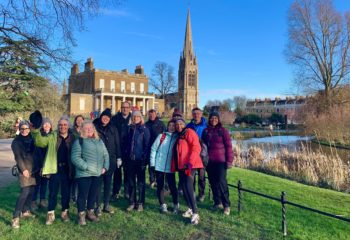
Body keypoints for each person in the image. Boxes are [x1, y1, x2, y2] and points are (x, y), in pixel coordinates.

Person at [31, 115, 75, 225]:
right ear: (57, 126)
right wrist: (35, 131)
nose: (62, 127)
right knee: (52, 193)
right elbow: (40, 142)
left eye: (65, 125)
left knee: (66, 193)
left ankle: (65, 212)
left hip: (67, 169)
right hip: (55, 170)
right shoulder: (52, 136)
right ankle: (50, 214)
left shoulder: (73, 137)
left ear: (68, 126)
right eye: (60, 125)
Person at [71, 121, 109, 225]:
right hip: (84, 174)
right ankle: (81, 215)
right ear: (82, 129)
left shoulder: (99, 141)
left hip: (97, 173)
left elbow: (106, 155)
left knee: (93, 195)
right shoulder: (79, 141)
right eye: (86, 128)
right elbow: (75, 157)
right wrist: (86, 167)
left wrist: (105, 167)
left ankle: (90, 212)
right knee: (83, 195)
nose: (89, 129)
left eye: (91, 128)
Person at [171, 117, 203, 225]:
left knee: (189, 187)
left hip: (190, 165)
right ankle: (190, 208)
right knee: (184, 188)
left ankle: (195, 213)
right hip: (182, 166)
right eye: (177, 125)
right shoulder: (179, 136)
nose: (178, 126)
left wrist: (190, 163)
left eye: (181, 124)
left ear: (184, 124)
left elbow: (196, 147)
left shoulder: (189, 132)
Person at [202, 112, 233, 215]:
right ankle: (217, 202)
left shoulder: (223, 131)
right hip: (209, 162)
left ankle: (226, 205)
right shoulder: (206, 131)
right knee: (213, 182)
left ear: (218, 119)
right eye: (211, 118)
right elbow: (203, 146)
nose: (213, 120)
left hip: (221, 161)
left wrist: (229, 161)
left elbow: (228, 146)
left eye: (215, 118)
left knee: (221, 182)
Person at [93, 108, 121, 215]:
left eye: (108, 117)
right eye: (104, 117)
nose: (105, 119)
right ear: (101, 117)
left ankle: (106, 204)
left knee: (108, 183)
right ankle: (97, 206)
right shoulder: (95, 128)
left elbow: (117, 143)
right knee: (98, 184)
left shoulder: (113, 129)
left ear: (110, 119)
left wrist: (119, 157)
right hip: (98, 160)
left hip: (111, 160)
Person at [11, 120, 36, 229]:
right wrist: (23, 169)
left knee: (31, 190)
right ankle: (15, 217)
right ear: (19, 129)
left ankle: (25, 211)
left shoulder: (32, 139)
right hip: (24, 170)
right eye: (22, 129)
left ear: (29, 129)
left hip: (33, 169)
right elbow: (18, 157)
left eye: (26, 128)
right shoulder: (16, 142)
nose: (24, 130)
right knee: (25, 192)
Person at [150, 120, 179, 213]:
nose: (171, 127)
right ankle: (162, 204)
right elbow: (153, 149)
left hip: (171, 167)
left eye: (173, 125)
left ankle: (175, 204)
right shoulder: (161, 136)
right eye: (170, 125)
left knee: (173, 187)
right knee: (160, 186)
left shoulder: (177, 138)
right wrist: (152, 164)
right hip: (159, 165)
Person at [125, 110, 150, 212]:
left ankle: (140, 202)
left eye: (137, 117)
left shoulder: (144, 130)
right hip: (130, 160)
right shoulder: (129, 129)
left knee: (140, 182)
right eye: (134, 117)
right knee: (131, 182)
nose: (135, 119)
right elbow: (126, 144)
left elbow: (147, 146)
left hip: (140, 160)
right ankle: (132, 202)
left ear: (141, 118)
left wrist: (145, 160)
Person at [111, 101, 132, 200]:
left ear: (129, 108)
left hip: (128, 150)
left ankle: (127, 192)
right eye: (123, 107)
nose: (125, 109)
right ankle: (116, 192)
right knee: (117, 172)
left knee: (128, 172)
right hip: (117, 149)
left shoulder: (133, 118)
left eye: (127, 107)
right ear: (121, 108)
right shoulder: (115, 119)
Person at [186, 107, 207, 202]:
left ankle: (201, 194)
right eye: (194, 114)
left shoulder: (206, 125)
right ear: (192, 115)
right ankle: (192, 192)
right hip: (192, 154)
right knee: (192, 176)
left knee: (202, 176)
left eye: (198, 113)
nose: (196, 115)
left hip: (202, 154)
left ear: (201, 114)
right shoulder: (189, 126)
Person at [31, 117, 52, 210]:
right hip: (39, 164)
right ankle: (33, 201)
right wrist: (40, 166)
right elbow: (37, 151)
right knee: (37, 184)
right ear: (42, 126)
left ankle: (42, 200)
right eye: (45, 124)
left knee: (45, 183)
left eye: (48, 124)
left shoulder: (53, 135)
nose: (47, 125)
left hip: (48, 165)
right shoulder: (39, 135)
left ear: (51, 126)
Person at [145, 109, 166, 188]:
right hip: (149, 147)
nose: (151, 116)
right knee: (151, 165)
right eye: (150, 115)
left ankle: (158, 181)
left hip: (159, 147)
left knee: (158, 165)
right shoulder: (146, 124)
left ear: (155, 115)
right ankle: (152, 180)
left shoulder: (161, 124)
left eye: (153, 114)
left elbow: (165, 134)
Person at [71, 115, 85, 202]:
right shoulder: (71, 131)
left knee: (81, 177)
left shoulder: (85, 131)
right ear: (75, 121)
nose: (79, 121)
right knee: (74, 177)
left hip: (83, 156)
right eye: (77, 120)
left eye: (81, 120)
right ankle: (73, 195)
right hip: (73, 155)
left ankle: (80, 195)